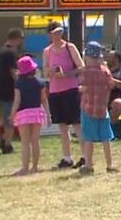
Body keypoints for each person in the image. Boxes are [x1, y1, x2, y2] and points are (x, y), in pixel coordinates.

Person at [42, 21, 85, 169]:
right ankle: (67, 157)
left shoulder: (69, 47)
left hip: (70, 88)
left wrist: (66, 74)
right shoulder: (47, 51)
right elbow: (45, 71)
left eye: (60, 32)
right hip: (55, 90)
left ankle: (85, 155)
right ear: (50, 35)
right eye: (55, 33)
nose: (58, 35)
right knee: (62, 125)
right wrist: (52, 72)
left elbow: (81, 66)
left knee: (76, 123)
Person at [78, 42, 116, 174]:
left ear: (87, 56)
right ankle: (110, 164)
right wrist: (105, 104)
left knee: (88, 138)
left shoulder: (84, 71)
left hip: (88, 108)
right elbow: (110, 87)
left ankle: (88, 164)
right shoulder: (105, 71)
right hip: (102, 109)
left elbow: (82, 87)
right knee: (106, 138)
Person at [8, 56, 49, 176]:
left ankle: (24, 168)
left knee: (25, 142)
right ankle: (35, 167)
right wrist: (48, 114)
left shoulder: (19, 83)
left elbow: (17, 100)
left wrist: (12, 114)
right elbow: (44, 100)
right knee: (35, 141)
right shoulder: (41, 82)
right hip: (37, 112)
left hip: (23, 114)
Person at [0, 27, 25, 154]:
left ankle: (2, 138)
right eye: (21, 39)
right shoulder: (11, 53)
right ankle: (6, 143)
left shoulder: (0, 52)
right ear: (17, 39)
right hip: (9, 89)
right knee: (10, 117)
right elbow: (14, 73)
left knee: (4, 115)